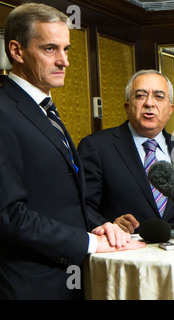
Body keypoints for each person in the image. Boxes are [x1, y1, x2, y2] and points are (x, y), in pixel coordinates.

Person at [0, 3, 144, 300]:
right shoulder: (4, 111)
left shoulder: (44, 109)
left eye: (66, 49)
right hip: (28, 285)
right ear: (17, 51)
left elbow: (58, 200)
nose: (64, 61)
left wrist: (100, 225)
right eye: (50, 49)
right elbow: (9, 215)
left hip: (69, 280)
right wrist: (89, 242)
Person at [78, 69, 174, 233]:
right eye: (141, 95)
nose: (149, 103)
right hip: (123, 252)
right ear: (127, 107)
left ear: (170, 109)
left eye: (159, 96)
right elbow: (82, 207)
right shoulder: (96, 147)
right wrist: (109, 226)